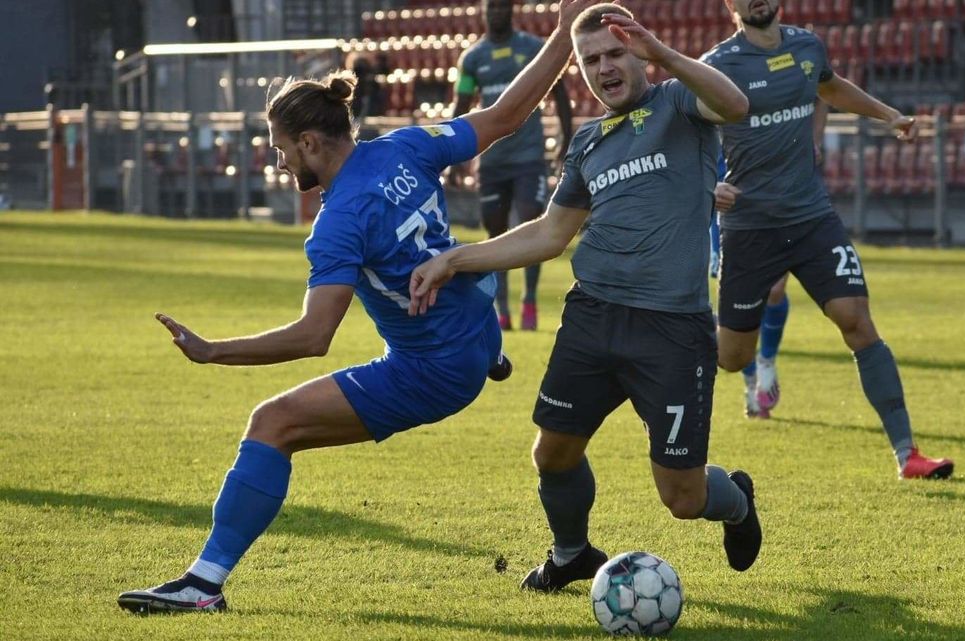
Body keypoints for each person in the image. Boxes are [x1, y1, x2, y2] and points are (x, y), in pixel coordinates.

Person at [116, 0, 604, 614]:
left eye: (280, 147)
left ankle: (202, 584)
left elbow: (314, 335)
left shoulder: (338, 221)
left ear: (310, 141)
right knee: (446, 273)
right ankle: (492, 352)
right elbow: (506, 115)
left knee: (273, 424)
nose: (278, 159)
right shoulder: (406, 146)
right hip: (475, 325)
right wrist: (561, 36)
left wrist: (215, 351)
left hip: (433, 369)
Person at [409, 4, 762, 592]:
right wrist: (455, 259)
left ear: (638, 53)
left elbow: (737, 105)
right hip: (593, 316)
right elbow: (550, 233)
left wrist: (666, 55)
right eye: (591, 59)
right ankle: (572, 552)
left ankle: (739, 504)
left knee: (681, 495)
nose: (605, 67)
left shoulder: (679, 102)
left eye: (615, 53)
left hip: (672, 329)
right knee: (552, 454)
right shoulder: (587, 140)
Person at [705, 0, 954, 479]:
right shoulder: (718, 66)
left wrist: (887, 115)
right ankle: (733, 356)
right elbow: (685, 128)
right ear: (730, 4)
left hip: (811, 217)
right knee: (731, 358)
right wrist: (706, 186)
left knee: (856, 320)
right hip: (750, 228)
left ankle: (908, 455)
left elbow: (831, 86)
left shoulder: (807, 46)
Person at [451, 0, 576, 331]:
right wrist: (453, 155)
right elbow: (462, 105)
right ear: (482, 12)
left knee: (534, 222)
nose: (496, 13)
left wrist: (566, 138)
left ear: (511, 11)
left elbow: (560, 95)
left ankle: (530, 301)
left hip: (529, 158)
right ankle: (501, 307)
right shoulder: (472, 59)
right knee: (495, 232)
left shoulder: (533, 48)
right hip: (492, 160)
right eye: (491, 8)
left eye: (502, 7)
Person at [716, 98, 829, 419]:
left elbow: (822, 91)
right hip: (725, 207)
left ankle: (766, 361)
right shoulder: (717, 71)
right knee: (739, 305)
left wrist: (813, 139)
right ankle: (750, 381)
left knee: (776, 288)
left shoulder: (780, 66)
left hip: (774, 199)